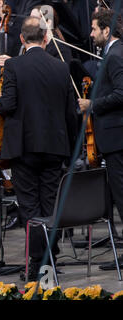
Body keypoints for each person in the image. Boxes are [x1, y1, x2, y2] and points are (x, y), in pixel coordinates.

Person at [0, 16, 77, 281]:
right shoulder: (61, 67)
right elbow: (70, 113)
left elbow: (8, 105)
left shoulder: (14, 66)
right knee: (49, 206)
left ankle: (35, 264)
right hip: (55, 147)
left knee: (29, 206)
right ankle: (49, 261)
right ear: (45, 38)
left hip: (24, 147)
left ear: (21, 39)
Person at [77, 9, 123, 271]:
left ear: (107, 30)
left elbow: (121, 93)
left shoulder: (115, 55)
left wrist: (92, 104)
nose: (91, 33)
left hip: (117, 137)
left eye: (95, 29)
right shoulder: (113, 53)